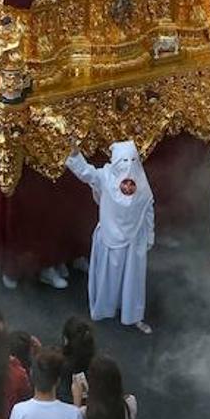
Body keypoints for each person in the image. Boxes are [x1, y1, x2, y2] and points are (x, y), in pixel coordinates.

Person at [65, 141, 156, 334]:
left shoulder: (141, 182)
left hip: (134, 242)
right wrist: (74, 155)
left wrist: (149, 235)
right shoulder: (105, 177)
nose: (128, 165)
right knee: (108, 277)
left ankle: (132, 315)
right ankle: (104, 309)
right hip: (109, 237)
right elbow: (85, 172)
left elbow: (148, 210)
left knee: (132, 280)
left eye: (132, 160)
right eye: (124, 160)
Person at [4, 347, 87, 419]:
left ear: (31, 375)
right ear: (57, 382)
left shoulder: (19, 411)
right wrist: (76, 404)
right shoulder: (74, 415)